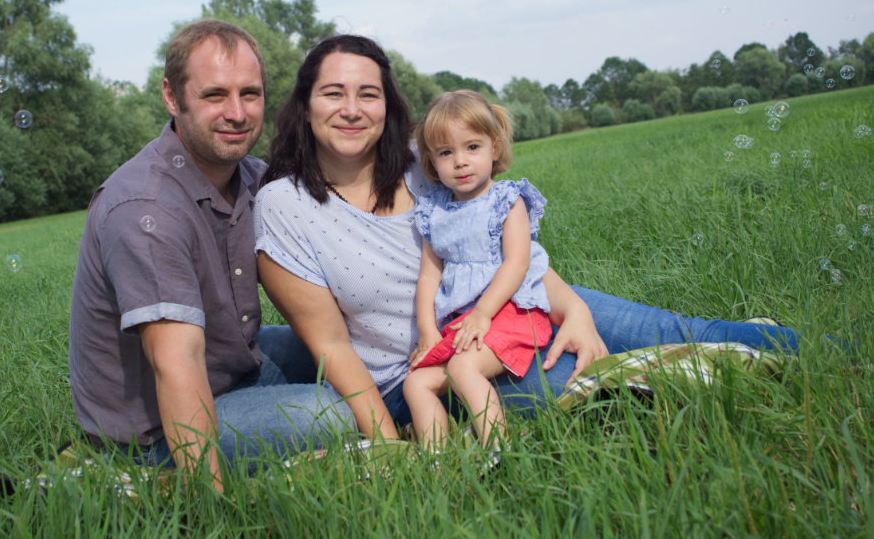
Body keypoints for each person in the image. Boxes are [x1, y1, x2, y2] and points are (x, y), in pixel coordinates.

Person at [253, 34, 800, 441]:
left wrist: (576, 311)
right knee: (625, 385)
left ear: (388, 105)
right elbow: (330, 345)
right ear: (304, 105)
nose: (352, 109)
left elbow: (505, 250)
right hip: (439, 368)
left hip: (525, 307)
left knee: (685, 329)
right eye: (333, 93)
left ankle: (834, 357)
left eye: (368, 94)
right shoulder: (285, 205)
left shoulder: (429, 162)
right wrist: (389, 444)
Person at [68, 19, 352, 489]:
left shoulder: (252, 177)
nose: (238, 113)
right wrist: (213, 508)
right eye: (215, 95)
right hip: (153, 433)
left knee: (349, 348)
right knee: (334, 414)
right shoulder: (146, 209)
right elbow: (175, 363)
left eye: (251, 94)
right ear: (171, 96)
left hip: (228, 366)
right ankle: (141, 483)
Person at [403, 91, 553, 449]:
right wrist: (427, 329)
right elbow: (430, 275)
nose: (460, 162)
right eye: (446, 152)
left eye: (472, 147)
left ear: (495, 148)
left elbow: (517, 262)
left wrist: (484, 313)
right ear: (431, 161)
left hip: (510, 311)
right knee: (417, 382)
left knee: (462, 368)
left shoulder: (506, 200)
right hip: (464, 323)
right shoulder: (433, 211)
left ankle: (498, 450)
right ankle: (438, 460)